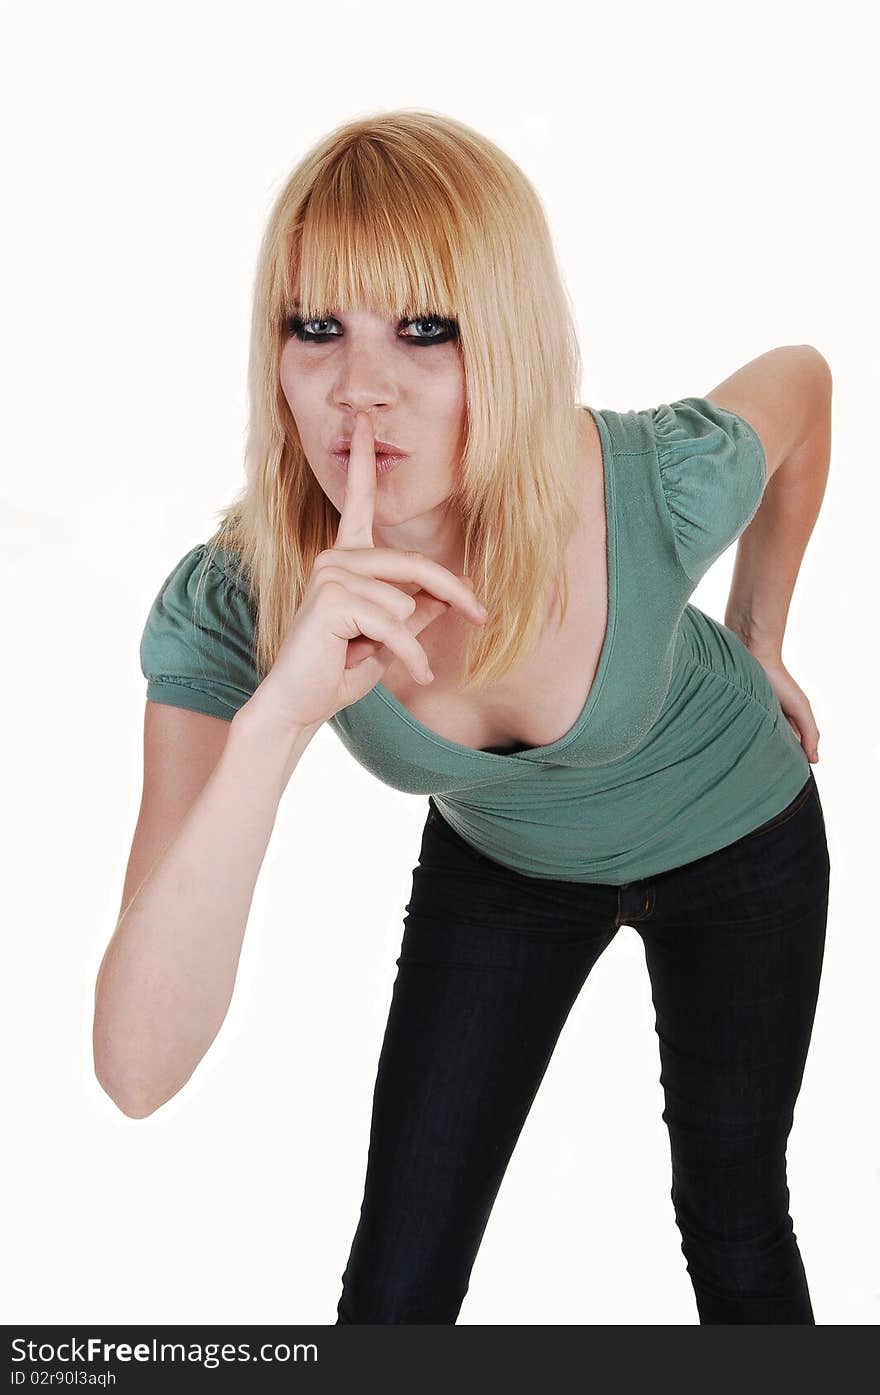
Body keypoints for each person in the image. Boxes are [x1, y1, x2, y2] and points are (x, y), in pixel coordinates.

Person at [92, 109, 832, 1325]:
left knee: (736, 1221)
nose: (358, 391)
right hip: (504, 869)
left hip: (740, 839)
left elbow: (800, 381)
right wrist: (276, 720)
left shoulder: (650, 486)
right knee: (398, 1282)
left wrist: (759, 633)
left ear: (513, 340)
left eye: (425, 329)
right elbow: (134, 1071)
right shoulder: (235, 603)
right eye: (314, 326)